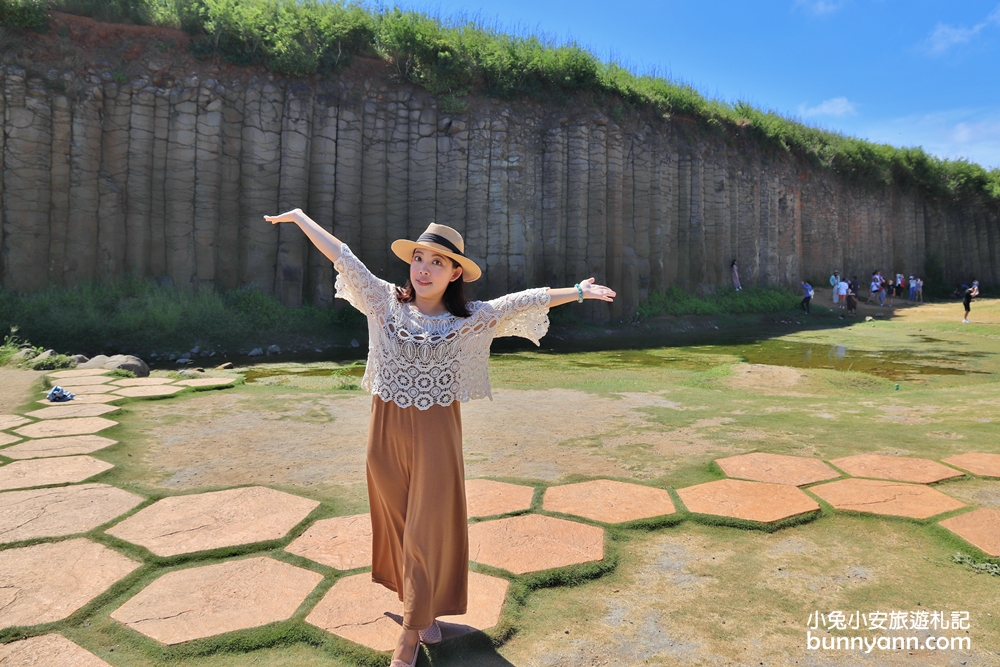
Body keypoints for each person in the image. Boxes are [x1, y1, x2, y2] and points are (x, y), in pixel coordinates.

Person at [264, 209, 614, 667]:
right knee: (396, 526)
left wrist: (580, 292)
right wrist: (300, 218)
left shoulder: (468, 319)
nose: (424, 269)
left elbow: (525, 301)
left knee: (426, 532)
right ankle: (421, 612)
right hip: (384, 431)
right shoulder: (384, 301)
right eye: (419, 258)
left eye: (437, 262)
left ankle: (410, 637)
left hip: (436, 435)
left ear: (454, 274)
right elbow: (342, 257)